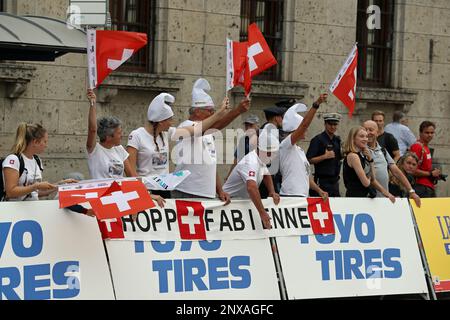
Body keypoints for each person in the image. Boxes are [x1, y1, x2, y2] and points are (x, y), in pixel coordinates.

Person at [127, 92, 228, 199]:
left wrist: (219, 114)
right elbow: (131, 173)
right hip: (146, 190)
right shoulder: (137, 135)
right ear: (161, 121)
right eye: (170, 120)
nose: (172, 122)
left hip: (164, 189)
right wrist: (147, 195)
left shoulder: (167, 133)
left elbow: (197, 129)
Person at [172, 78, 250, 202]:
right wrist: (236, 111)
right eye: (210, 111)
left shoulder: (208, 132)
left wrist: (220, 190)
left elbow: (211, 164)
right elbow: (215, 126)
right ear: (197, 111)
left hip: (206, 193)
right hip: (187, 191)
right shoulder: (185, 126)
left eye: (213, 111)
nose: (212, 114)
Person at [87, 89, 166, 207]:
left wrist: (148, 195)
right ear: (109, 136)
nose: (122, 135)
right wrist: (93, 103)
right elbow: (92, 129)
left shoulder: (119, 150)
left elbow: (132, 177)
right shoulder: (94, 150)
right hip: (102, 201)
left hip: (119, 201)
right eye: (119, 133)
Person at [223, 129, 280, 229]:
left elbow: (266, 174)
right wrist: (262, 213)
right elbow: (251, 188)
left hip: (240, 203)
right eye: (272, 153)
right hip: (228, 202)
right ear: (264, 151)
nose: (273, 157)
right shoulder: (250, 161)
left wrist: (272, 191)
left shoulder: (260, 159)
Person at [279, 95, 328, 199]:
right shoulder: (286, 144)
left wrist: (319, 190)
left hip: (302, 196)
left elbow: (306, 176)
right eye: (303, 129)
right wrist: (316, 105)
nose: (306, 130)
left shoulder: (300, 150)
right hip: (290, 196)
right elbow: (304, 124)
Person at [363, 120, 421, 207]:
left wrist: (411, 191)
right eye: (365, 130)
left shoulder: (383, 150)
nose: (367, 133)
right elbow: (369, 177)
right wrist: (387, 194)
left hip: (383, 200)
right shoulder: (361, 151)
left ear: (377, 132)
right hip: (366, 199)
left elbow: (396, 171)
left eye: (371, 130)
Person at [2, 123, 58, 201]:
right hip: (14, 211)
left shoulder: (37, 160)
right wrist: (36, 186)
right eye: (44, 141)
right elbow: (10, 192)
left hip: (33, 210)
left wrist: (60, 185)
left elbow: (34, 193)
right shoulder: (13, 160)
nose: (46, 145)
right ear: (35, 142)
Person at [342, 126, 394, 202]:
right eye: (361, 136)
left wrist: (371, 160)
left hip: (363, 198)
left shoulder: (361, 155)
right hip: (355, 198)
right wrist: (368, 177)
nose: (365, 139)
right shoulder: (353, 156)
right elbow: (366, 183)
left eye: (366, 136)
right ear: (353, 139)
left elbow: (373, 178)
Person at [306, 112, 342, 197]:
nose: (333, 127)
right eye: (330, 124)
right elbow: (309, 160)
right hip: (322, 181)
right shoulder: (317, 140)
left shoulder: (337, 140)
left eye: (335, 124)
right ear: (325, 124)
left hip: (335, 181)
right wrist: (324, 156)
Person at [258, 105, 285, 197]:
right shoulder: (268, 134)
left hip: (268, 175)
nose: (282, 119)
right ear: (276, 118)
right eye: (281, 117)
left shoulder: (269, 131)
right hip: (266, 177)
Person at [410, 121, 441, 198]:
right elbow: (412, 170)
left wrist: (435, 174)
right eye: (427, 132)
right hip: (420, 188)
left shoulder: (426, 147)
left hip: (428, 187)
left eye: (432, 133)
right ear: (420, 133)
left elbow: (425, 168)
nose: (430, 135)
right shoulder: (417, 147)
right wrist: (430, 174)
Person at [225, 114, 259, 180]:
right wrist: (229, 175)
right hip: (245, 172)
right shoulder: (243, 139)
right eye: (246, 125)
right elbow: (236, 159)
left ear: (257, 125)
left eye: (251, 125)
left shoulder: (262, 137)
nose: (248, 128)